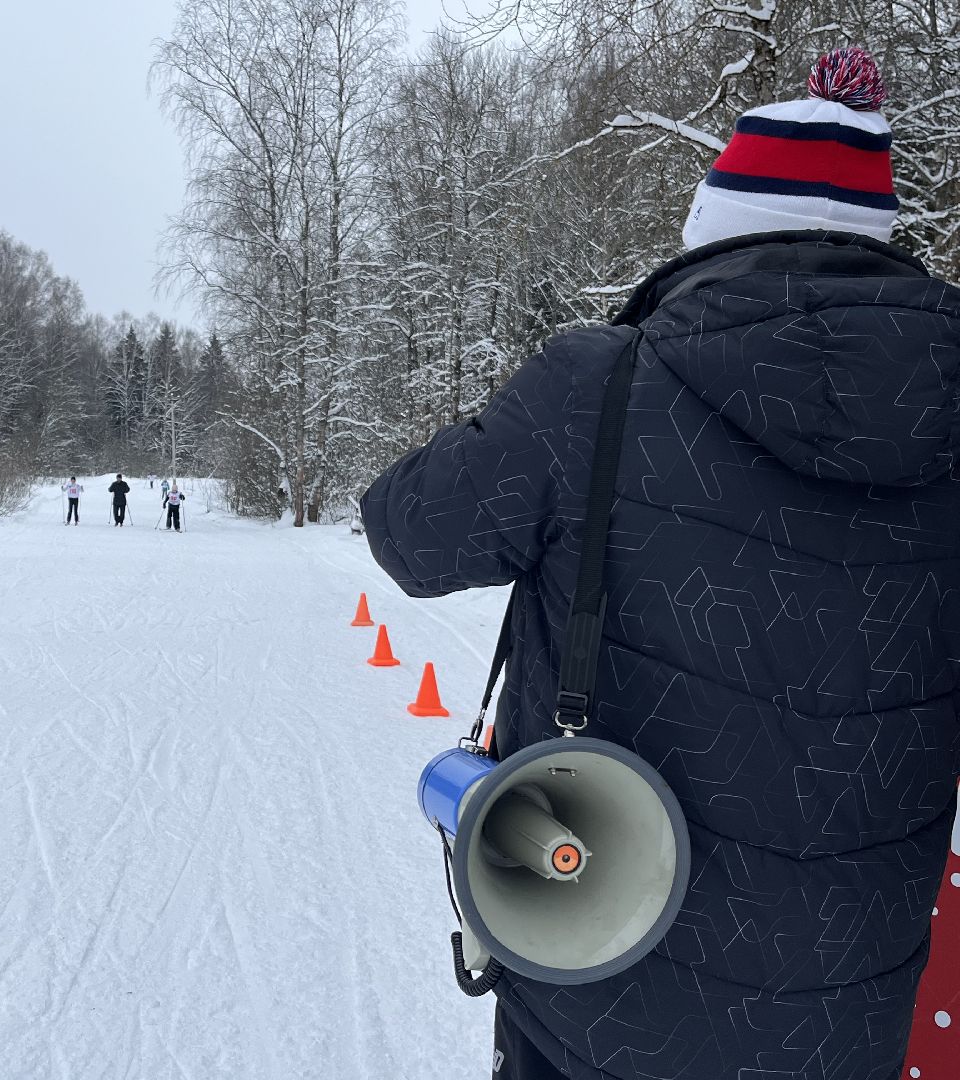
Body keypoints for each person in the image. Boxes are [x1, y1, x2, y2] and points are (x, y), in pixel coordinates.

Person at [360, 48, 960, 1080]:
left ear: (714, 231)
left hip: (604, 982)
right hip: (854, 1011)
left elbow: (408, 530)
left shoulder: (596, 387)